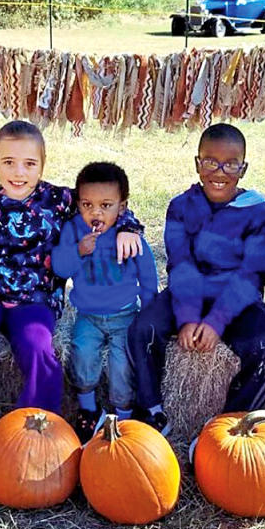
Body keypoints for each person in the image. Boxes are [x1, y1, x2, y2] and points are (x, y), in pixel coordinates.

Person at [0, 121, 143, 476]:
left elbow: (104, 206)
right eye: (8, 162)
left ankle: (33, 432)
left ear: (43, 163)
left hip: (35, 299)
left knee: (39, 350)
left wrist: (127, 225)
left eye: (29, 164)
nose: (18, 172)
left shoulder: (62, 201)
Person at [127, 123, 265, 437]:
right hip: (187, 291)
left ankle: (232, 424)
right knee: (143, 329)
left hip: (238, 297)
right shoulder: (181, 207)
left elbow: (252, 275)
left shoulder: (260, 213)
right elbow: (181, 266)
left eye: (231, 164)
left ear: (244, 168)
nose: (220, 172)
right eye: (210, 161)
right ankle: (151, 409)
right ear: (197, 163)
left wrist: (216, 322)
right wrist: (188, 318)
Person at [52, 162, 158, 441]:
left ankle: (124, 417)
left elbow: (148, 275)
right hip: (88, 314)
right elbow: (61, 268)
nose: (95, 213)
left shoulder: (129, 237)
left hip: (125, 316)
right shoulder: (75, 231)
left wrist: (147, 315)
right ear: (78, 204)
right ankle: (89, 411)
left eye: (106, 205)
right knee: (82, 354)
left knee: (122, 365)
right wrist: (78, 250)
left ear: (122, 207)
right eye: (87, 205)